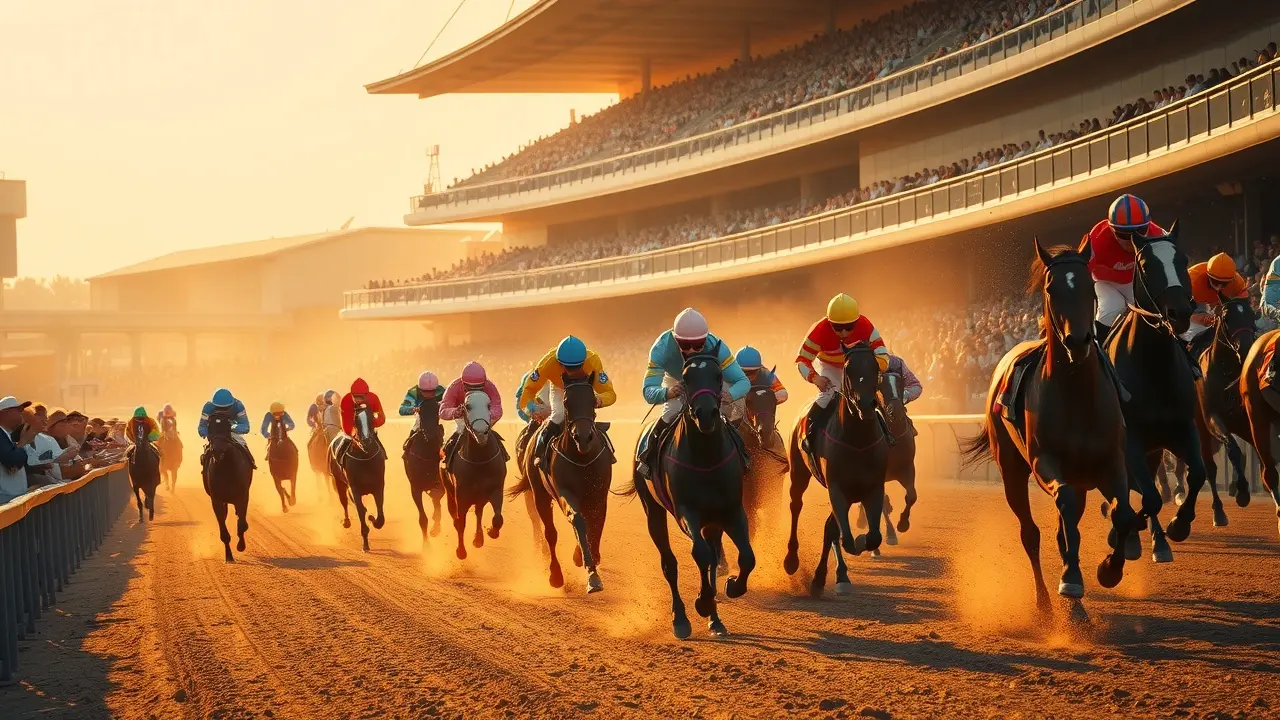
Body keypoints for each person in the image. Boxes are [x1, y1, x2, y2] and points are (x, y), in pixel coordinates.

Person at [637, 308, 750, 478]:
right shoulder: (660, 348)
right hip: (677, 381)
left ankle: (742, 455)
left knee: (727, 415)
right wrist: (668, 393)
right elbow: (648, 391)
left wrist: (731, 394)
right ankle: (648, 458)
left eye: (698, 345)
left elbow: (743, 381)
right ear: (675, 340)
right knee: (669, 415)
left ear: (706, 339)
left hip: (707, 381)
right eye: (684, 345)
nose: (691, 350)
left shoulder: (717, 346)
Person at [796, 293, 892, 454]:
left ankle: (888, 433)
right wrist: (815, 377)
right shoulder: (818, 330)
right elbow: (801, 360)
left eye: (850, 326)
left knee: (870, 394)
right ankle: (807, 435)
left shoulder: (866, 325)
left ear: (857, 320)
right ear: (829, 322)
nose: (844, 332)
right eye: (838, 328)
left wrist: (872, 370)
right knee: (828, 393)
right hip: (829, 366)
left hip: (856, 367)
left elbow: (883, 355)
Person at [518, 335, 618, 469]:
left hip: (583, 386)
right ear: (558, 362)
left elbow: (610, 393)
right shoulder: (547, 363)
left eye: (578, 367)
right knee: (559, 414)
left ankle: (608, 450)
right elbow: (528, 391)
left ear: (584, 361)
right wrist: (532, 409)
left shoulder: (593, 360)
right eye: (568, 367)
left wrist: (599, 400)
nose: (572, 372)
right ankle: (539, 453)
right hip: (559, 387)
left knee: (584, 416)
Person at [1086, 193, 1168, 338]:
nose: (1133, 241)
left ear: (1148, 227)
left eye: (1140, 232)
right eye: (1124, 235)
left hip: (1133, 282)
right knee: (1111, 308)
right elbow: (1082, 270)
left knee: (1153, 311)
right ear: (1111, 229)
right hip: (1105, 283)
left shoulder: (1158, 235)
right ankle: (1100, 351)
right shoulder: (1096, 239)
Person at [1184, 252, 1250, 356]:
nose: (1219, 287)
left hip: (1221, 305)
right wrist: (1194, 317)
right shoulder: (1191, 279)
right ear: (1207, 275)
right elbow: (1177, 309)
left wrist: (1223, 313)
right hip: (1195, 305)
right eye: (1215, 282)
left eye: (1224, 284)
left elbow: (1243, 307)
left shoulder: (1237, 283)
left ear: (1232, 279)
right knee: (1192, 333)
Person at [439, 361, 503, 465]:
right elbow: (443, 411)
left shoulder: (490, 386)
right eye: (470, 388)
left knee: (498, 443)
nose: (475, 391)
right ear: (463, 383)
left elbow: (498, 408)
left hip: (483, 421)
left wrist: (486, 415)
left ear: (484, 382)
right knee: (449, 446)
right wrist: (456, 412)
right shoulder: (454, 387)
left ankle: (503, 457)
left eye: (479, 387)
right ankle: (446, 466)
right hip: (462, 421)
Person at [728, 345, 788, 424]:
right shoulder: (729, 374)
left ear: (759, 368)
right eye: (744, 372)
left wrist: (765, 398)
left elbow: (783, 393)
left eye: (752, 372)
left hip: (761, 416)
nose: (748, 376)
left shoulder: (765, 374)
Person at [198, 388, 253, 467]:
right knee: (208, 451)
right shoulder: (208, 407)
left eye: (225, 408)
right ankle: (205, 468)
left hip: (232, 431)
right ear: (214, 405)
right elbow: (202, 427)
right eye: (218, 408)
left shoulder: (238, 405)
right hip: (214, 432)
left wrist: (231, 427)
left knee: (242, 445)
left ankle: (250, 461)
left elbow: (246, 426)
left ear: (231, 405)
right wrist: (209, 434)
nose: (221, 410)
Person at [0, 397, 39, 503]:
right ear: (4, 413)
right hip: (5, 500)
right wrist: (23, 442)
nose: (22, 414)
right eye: (18, 410)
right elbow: (12, 461)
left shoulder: (7, 434)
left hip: (11, 499)